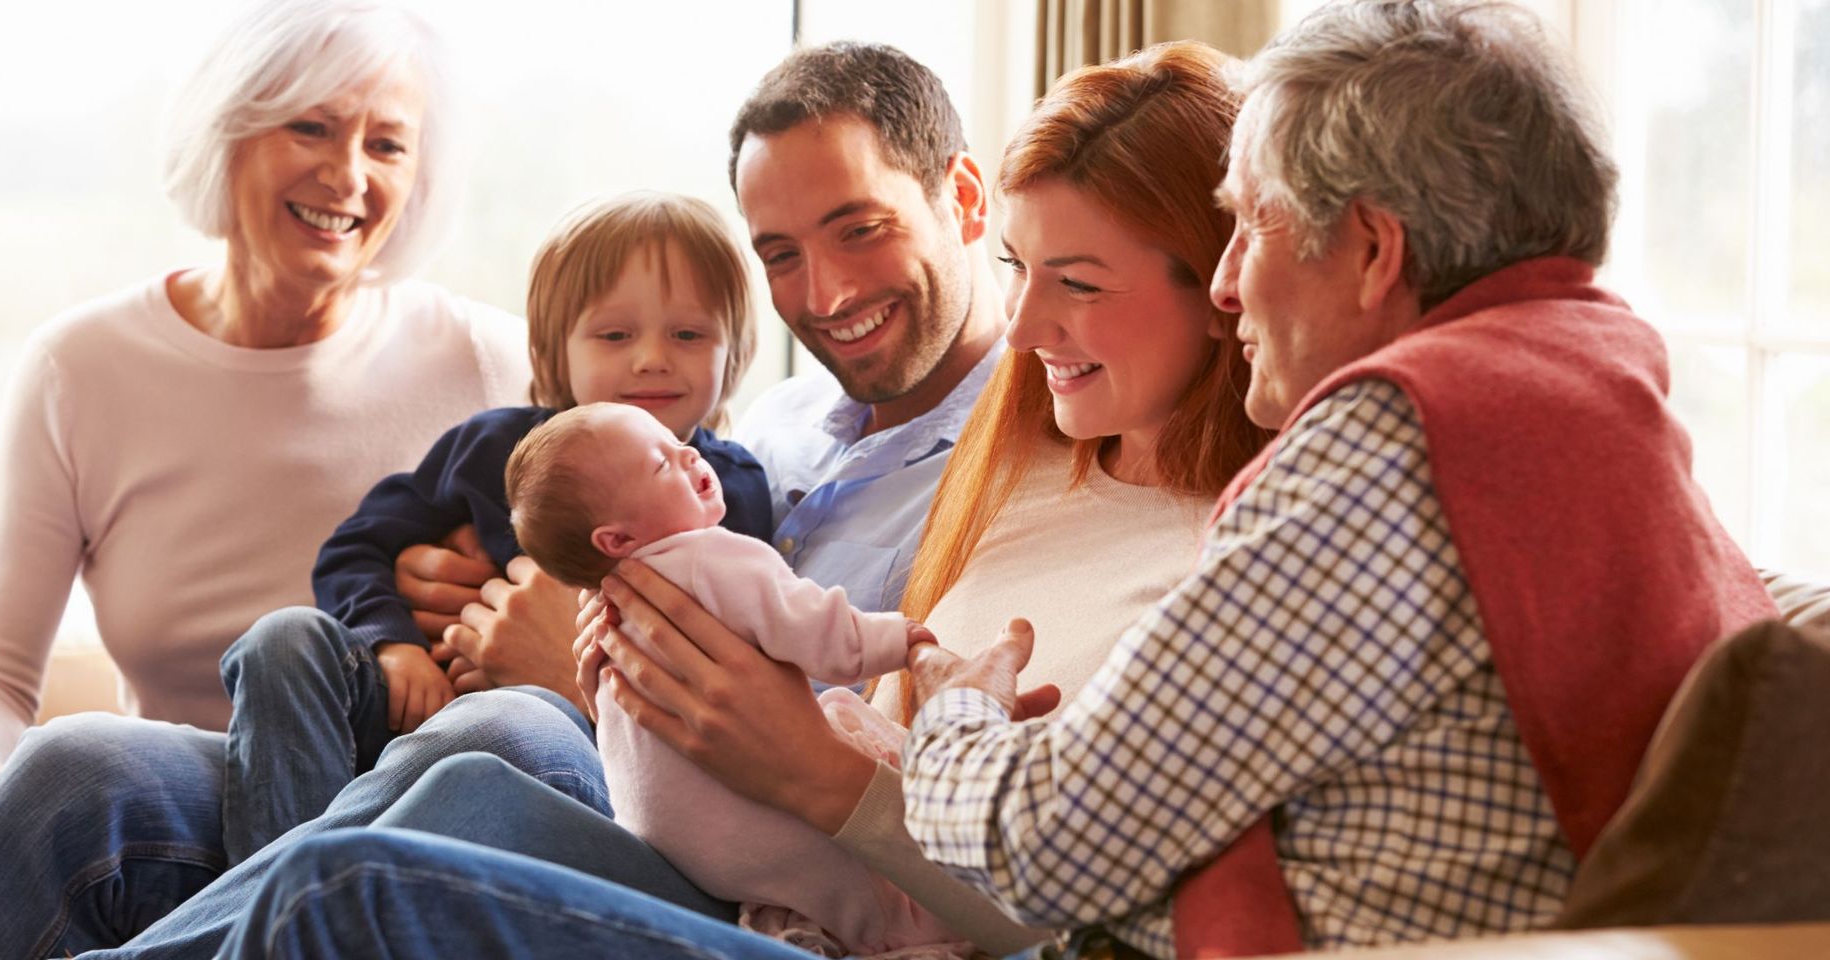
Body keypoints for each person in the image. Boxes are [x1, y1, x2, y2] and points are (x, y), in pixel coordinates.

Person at [0, 40, 1012, 960]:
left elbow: (822, 707)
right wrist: (398, 621)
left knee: (493, 732)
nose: (821, 293)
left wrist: (566, 668)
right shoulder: (761, 423)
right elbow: (420, 524)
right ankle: (245, 895)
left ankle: (248, 913)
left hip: (629, 784)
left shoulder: (973, 465)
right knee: (76, 769)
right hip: (377, 743)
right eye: (779, 251)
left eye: (385, 141)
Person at [206, 39, 1272, 960]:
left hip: (825, 887)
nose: (1029, 326)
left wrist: (751, 745)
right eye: (780, 254)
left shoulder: (1214, 553)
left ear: (1227, 282)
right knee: (101, 775)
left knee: (413, 820)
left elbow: (1062, 896)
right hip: (737, 833)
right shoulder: (919, 449)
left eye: (1076, 282)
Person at [897, 2, 1780, 957]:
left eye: (1246, 227)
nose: (1227, 283)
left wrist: (955, 711)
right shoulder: (1589, 383)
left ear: (1370, 250)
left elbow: (1048, 844)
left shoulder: (1393, 444)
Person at [0, 0, 530, 902]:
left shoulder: (490, 363)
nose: (347, 174)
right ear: (226, 131)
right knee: (71, 768)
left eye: (388, 145)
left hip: (407, 823)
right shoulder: (78, 369)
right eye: (310, 126)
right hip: (170, 829)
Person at [215, 192, 773, 864]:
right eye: (615, 335)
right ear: (553, 350)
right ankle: (274, 891)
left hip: (557, 747)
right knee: (282, 638)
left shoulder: (730, 488)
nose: (652, 358)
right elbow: (358, 546)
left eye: (688, 335)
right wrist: (394, 647)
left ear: (734, 351)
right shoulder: (494, 449)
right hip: (408, 702)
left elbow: (734, 646)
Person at [509, 401, 961, 956]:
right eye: (660, 464)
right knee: (854, 889)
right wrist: (902, 639)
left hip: (665, 841)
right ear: (617, 540)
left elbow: (621, 726)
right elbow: (818, 632)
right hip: (754, 825)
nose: (690, 452)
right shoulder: (712, 558)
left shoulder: (608, 609)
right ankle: (900, 934)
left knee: (491, 730)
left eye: (678, 442)